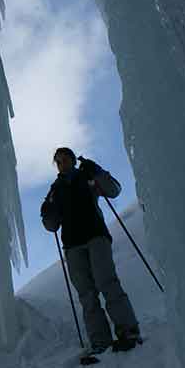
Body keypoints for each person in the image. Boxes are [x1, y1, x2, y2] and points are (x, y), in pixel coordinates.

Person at [41, 147, 140, 355]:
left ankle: (127, 330)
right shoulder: (55, 189)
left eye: (65, 159)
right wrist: (47, 212)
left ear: (73, 160)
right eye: (58, 162)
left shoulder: (86, 175)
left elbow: (113, 190)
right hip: (72, 245)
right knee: (86, 294)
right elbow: (51, 225)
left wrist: (96, 171)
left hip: (95, 236)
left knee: (107, 282)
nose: (62, 164)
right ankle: (100, 341)